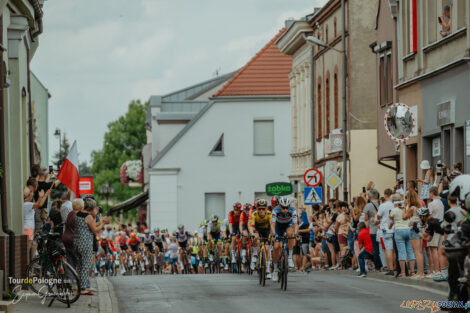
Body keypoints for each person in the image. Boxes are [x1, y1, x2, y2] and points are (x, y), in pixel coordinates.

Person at [74, 197, 110, 295]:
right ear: (91, 207)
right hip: (85, 243)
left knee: (80, 266)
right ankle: (83, 288)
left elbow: (90, 224)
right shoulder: (88, 216)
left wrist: (98, 218)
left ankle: (80, 285)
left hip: (77, 242)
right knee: (86, 265)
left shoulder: (78, 215)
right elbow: (95, 230)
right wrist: (103, 223)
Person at [271, 196, 298, 282]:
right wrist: (274, 234)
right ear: (279, 205)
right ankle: (275, 270)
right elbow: (272, 224)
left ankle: (289, 257)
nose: (285, 209)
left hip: (287, 225)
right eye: (283, 207)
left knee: (290, 234)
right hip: (278, 227)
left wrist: (296, 233)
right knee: (276, 247)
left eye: (287, 207)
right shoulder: (275, 210)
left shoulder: (293, 210)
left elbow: (295, 224)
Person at [389, 194, 416, 277]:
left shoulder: (394, 210)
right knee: (410, 251)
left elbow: (390, 218)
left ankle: (403, 272)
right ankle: (412, 272)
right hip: (408, 229)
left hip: (399, 230)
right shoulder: (408, 209)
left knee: (401, 252)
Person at [402, 189, 425, 279]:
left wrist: (404, 207)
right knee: (419, 252)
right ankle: (420, 272)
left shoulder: (412, 208)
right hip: (419, 227)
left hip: (414, 228)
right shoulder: (419, 206)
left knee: (417, 252)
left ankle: (420, 274)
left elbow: (404, 217)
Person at [23, 186, 50, 259]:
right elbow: (39, 205)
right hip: (28, 229)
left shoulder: (26, 204)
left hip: (28, 228)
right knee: (27, 248)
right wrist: (45, 195)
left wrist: (41, 197)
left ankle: (30, 263)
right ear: (28, 196)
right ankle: (27, 264)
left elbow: (37, 204)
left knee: (33, 245)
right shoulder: (27, 204)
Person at [426, 187, 446, 278]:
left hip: (433, 228)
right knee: (439, 250)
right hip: (441, 227)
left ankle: (436, 271)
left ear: (431, 193)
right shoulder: (441, 202)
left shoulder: (431, 203)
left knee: (433, 250)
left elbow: (429, 216)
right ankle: (441, 270)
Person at [250, 198, 272, 277]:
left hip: (266, 231)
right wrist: (252, 233)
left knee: (267, 249)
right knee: (257, 239)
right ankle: (255, 254)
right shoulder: (254, 214)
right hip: (258, 230)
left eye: (263, 209)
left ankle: (268, 270)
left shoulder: (269, 214)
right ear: (257, 209)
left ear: (266, 209)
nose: (261, 211)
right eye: (259, 209)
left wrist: (272, 235)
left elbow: (272, 226)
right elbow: (251, 226)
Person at [376, 188, 395, 275]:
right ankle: (395, 267)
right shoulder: (395, 204)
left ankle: (390, 268)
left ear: (385, 195)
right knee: (394, 250)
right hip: (395, 228)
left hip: (386, 228)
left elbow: (378, 217)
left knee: (388, 249)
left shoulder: (383, 206)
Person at [362, 189, 382, 271]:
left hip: (373, 230)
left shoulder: (368, 205)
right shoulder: (382, 203)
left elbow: (366, 218)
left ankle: (378, 266)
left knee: (376, 249)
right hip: (383, 228)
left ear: (370, 196)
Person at [62, 198, 83, 270]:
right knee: (77, 261)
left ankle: (71, 279)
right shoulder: (77, 216)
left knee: (70, 262)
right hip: (72, 240)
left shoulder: (70, 213)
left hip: (66, 238)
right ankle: (74, 279)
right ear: (80, 206)